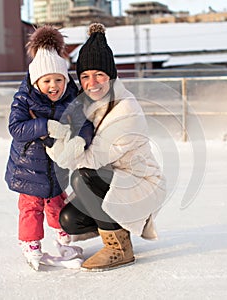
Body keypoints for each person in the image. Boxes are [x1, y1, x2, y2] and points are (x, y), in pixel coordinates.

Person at [47, 23, 166, 272]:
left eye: (99, 74)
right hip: (111, 180)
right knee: (69, 219)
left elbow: (93, 158)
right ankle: (116, 225)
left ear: (111, 76)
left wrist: (61, 151)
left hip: (139, 182)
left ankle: (119, 248)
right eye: (85, 76)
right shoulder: (86, 105)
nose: (92, 83)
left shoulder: (125, 108)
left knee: (81, 176)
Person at [4, 25, 94, 270]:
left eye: (58, 79)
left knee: (57, 202)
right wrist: (46, 126)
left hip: (56, 165)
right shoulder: (24, 99)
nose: (53, 85)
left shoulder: (71, 98)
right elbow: (16, 128)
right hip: (28, 167)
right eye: (47, 81)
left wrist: (80, 139)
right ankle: (30, 243)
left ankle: (63, 237)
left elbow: (84, 122)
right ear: (36, 81)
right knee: (31, 205)